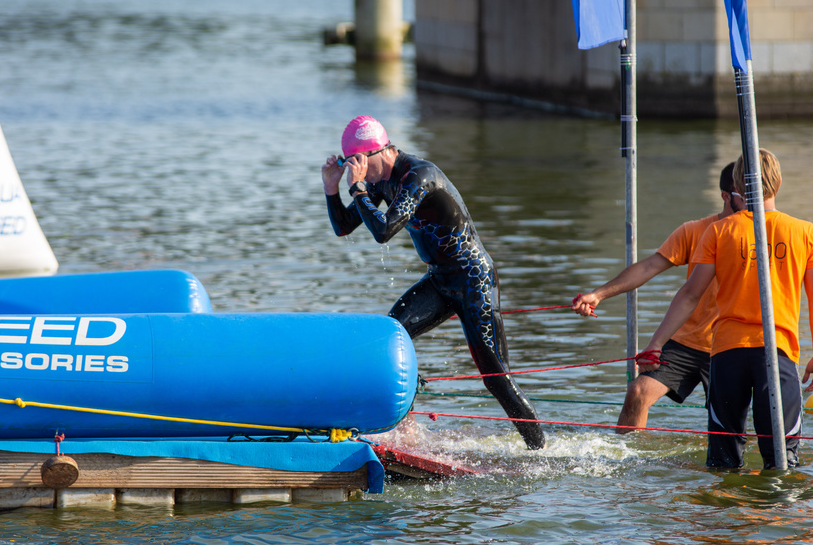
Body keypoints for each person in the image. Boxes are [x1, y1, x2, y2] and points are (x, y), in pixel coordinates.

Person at [321, 116, 545, 450]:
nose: (355, 170)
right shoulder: (379, 181)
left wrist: (356, 188)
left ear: (372, 154)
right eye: (348, 164)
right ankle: (405, 433)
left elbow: (384, 231)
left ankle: (540, 450)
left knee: (496, 379)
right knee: (391, 337)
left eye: (356, 163)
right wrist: (331, 187)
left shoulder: (418, 175)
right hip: (440, 281)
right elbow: (344, 226)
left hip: (473, 279)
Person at [639, 149, 813, 469]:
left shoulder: (719, 231)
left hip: (727, 354)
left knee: (723, 463)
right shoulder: (804, 232)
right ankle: (776, 518)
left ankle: (726, 518)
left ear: (736, 184)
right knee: (782, 462)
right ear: (778, 183)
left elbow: (690, 293)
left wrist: (656, 343)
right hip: (777, 352)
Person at [572, 163, 743, 432]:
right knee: (638, 392)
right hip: (685, 341)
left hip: (730, 344)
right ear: (726, 196)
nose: (751, 200)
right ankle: (628, 465)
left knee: (733, 418)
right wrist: (598, 294)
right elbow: (649, 267)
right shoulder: (695, 230)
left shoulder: (763, 234)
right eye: (743, 193)